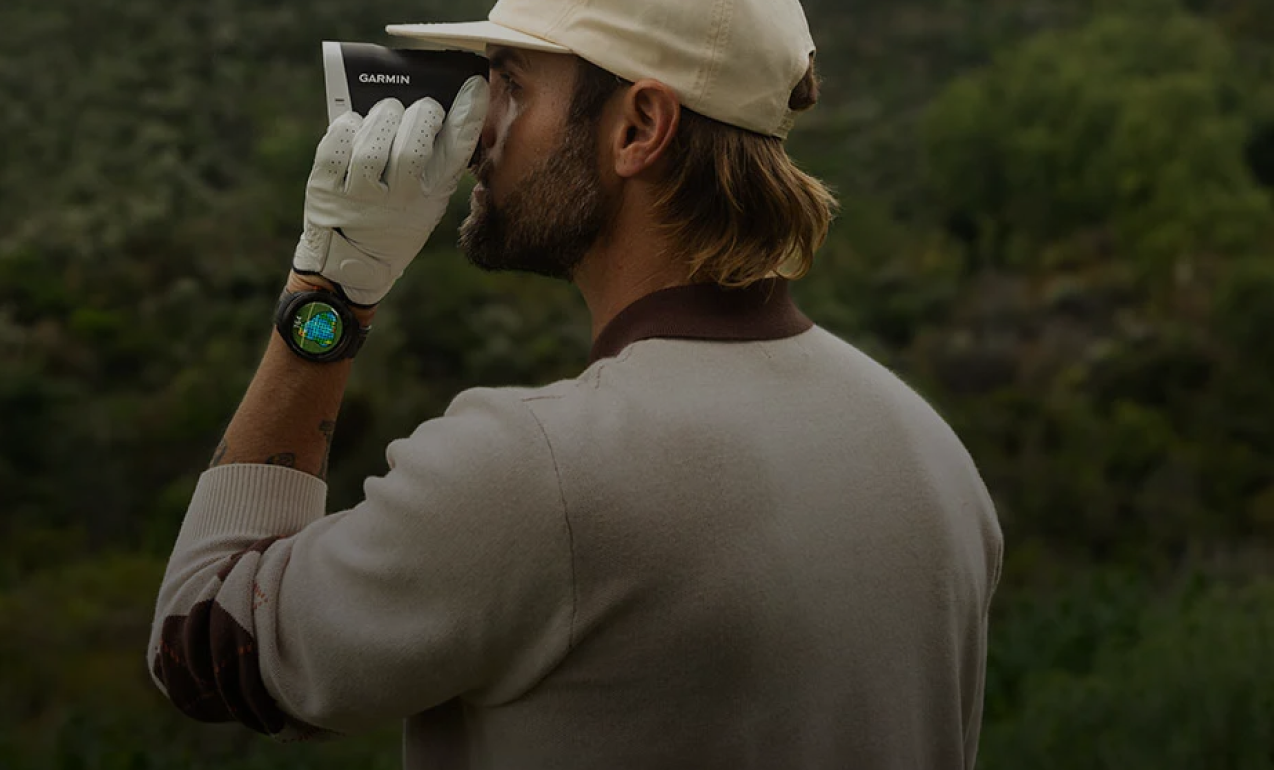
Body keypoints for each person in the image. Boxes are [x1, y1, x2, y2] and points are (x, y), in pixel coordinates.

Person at [146, 0, 1004, 767]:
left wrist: (329, 293)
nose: (480, 130)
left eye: (511, 85)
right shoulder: (926, 449)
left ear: (638, 127)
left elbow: (201, 643)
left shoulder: (535, 471)